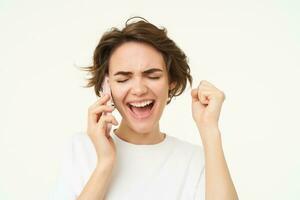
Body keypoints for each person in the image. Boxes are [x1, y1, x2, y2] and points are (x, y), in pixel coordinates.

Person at [50, 16, 238, 200]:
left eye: (153, 76)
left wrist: (210, 131)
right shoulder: (82, 149)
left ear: (170, 81)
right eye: (123, 79)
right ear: (107, 86)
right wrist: (105, 165)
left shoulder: (197, 160)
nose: (139, 90)